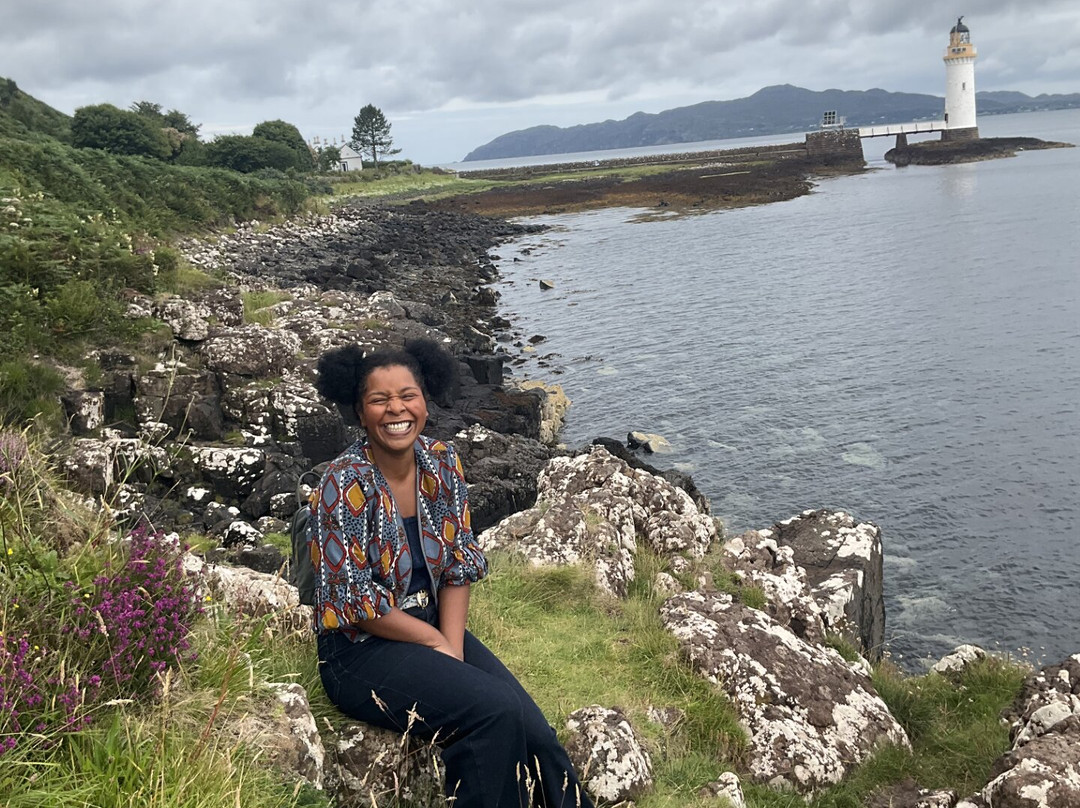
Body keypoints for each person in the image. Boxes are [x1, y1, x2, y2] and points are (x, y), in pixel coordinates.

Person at [312, 339, 593, 808]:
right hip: (359, 650)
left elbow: (457, 564)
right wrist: (433, 645)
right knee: (491, 713)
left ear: (426, 399)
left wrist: (453, 647)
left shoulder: (441, 463)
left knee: (534, 730)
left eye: (408, 395)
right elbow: (356, 604)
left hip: (432, 625)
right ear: (360, 413)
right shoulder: (342, 484)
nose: (395, 409)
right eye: (379, 400)